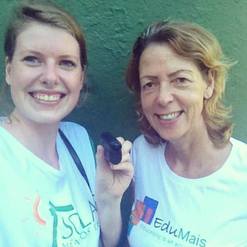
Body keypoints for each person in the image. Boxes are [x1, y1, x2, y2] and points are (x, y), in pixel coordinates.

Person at [0, 1, 133, 246]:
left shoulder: (77, 139)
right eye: (32, 59)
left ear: (80, 77)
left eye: (66, 63)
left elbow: (107, 242)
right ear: (9, 70)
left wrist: (109, 200)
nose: (50, 77)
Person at [126, 20, 247, 246]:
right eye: (149, 84)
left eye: (180, 80)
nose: (163, 98)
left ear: (209, 83)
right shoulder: (141, 153)